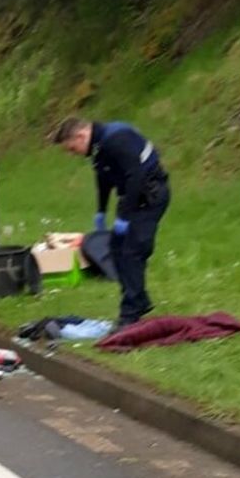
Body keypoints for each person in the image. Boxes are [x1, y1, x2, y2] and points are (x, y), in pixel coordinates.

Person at [53, 117, 171, 328]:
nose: (73, 153)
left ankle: (130, 315)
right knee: (116, 249)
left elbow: (137, 175)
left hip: (151, 195)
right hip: (133, 198)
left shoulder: (118, 138)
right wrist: (101, 211)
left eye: (72, 148)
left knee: (133, 252)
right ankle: (139, 300)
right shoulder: (99, 149)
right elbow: (104, 180)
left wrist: (124, 216)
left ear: (81, 136)